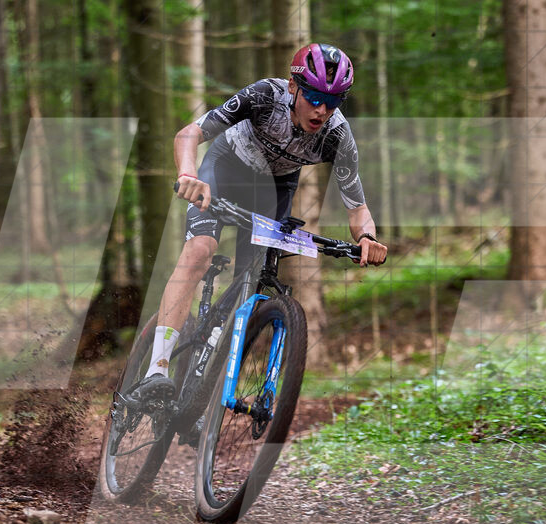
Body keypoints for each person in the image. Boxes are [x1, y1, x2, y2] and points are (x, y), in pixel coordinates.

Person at [131, 43, 388, 401]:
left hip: (274, 189)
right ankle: (155, 370)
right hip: (224, 171)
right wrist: (188, 174)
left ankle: (202, 392)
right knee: (200, 251)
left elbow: (357, 206)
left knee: (251, 287)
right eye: (314, 96)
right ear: (294, 86)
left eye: (333, 101)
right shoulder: (264, 95)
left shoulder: (337, 135)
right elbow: (188, 134)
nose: (322, 110)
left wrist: (368, 239)